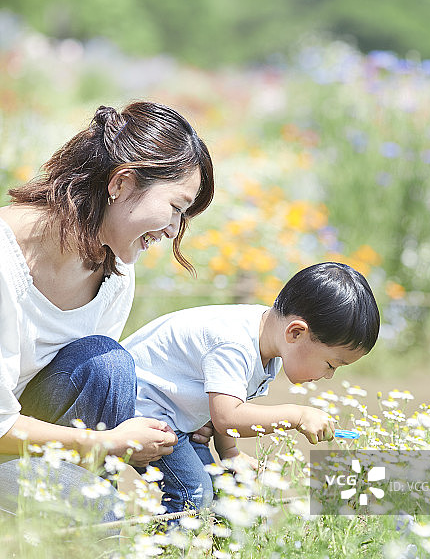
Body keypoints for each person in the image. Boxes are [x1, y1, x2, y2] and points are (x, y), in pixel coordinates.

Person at [0, 100, 215, 521]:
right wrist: (105, 444)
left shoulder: (114, 272)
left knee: (109, 363)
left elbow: (101, 390)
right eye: (175, 207)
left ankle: (82, 529)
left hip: (27, 438)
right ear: (121, 182)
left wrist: (183, 420)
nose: (174, 230)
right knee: (98, 507)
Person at [123, 262, 380, 514]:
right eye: (331, 364)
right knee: (194, 492)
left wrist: (230, 452)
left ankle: (217, 553)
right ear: (296, 333)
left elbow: (229, 401)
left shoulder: (268, 339)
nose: (329, 376)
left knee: (228, 488)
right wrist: (297, 416)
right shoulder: (234, 345)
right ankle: (166, 554)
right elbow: (228, 417)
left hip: (174, 415)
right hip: (141, 410)